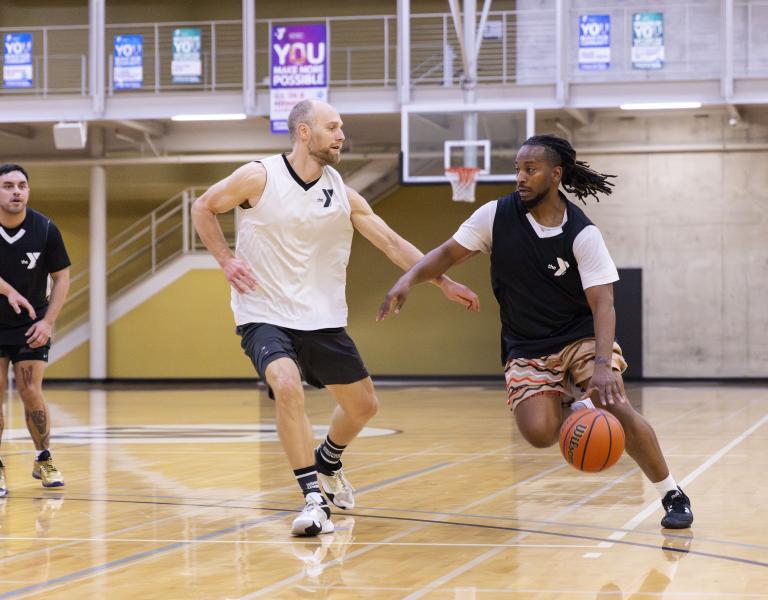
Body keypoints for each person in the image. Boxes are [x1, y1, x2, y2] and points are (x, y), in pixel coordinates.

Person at [192, 99, 479, 536]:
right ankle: (311, 498)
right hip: (264, 313)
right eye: (333, 127)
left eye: (341, 127)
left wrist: (442, 282)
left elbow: (391, 242)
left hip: (322, 319)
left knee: (364, 406)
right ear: (304, 132)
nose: (342, 135)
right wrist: (226, 259)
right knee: (286, 385)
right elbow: (203, 207)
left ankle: (328, 460)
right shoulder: (259, 176)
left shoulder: (342, 193)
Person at [378, 134, 693, 529]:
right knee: (540, 433)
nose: (520, 178)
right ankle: (576, 404)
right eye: (518, 170)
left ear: (555, 174)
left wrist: (600, 364)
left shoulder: (582, 233)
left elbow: (604, 304)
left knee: (614, 402)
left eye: (531, 170)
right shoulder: (494, 216)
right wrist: (407, 280)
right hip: (526, 343)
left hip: (579, 336)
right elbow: (445, 254)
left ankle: (672, 493)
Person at [0, 163, 71, 497]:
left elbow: (62, 277)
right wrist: (7, 290)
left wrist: (47, 322)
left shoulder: (45, 229)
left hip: (30, 324)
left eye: (22, 185)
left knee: (30, 391)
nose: (16, 191)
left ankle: (43, 457)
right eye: (8, 185)